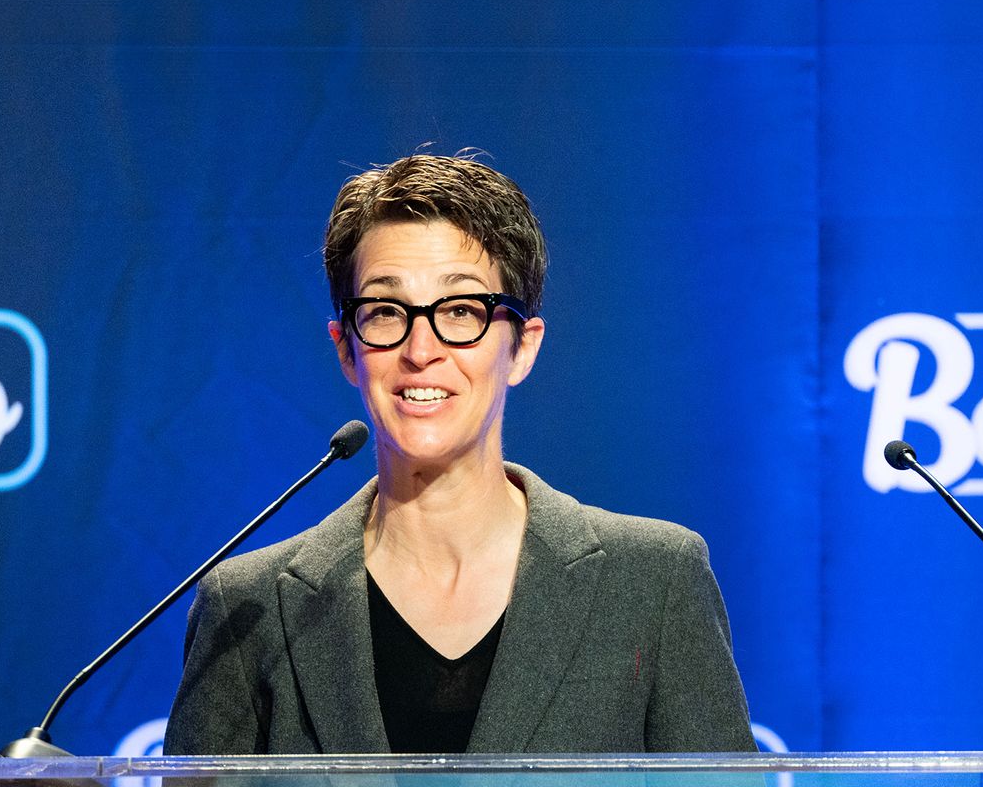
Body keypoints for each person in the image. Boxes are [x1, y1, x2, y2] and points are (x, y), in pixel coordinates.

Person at [163, 153, 755, 754]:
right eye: (386, 312)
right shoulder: (247, 610)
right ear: (347, 350)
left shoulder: (655, 582)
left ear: (523, 348)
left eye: (461, 312)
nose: (421, 349)